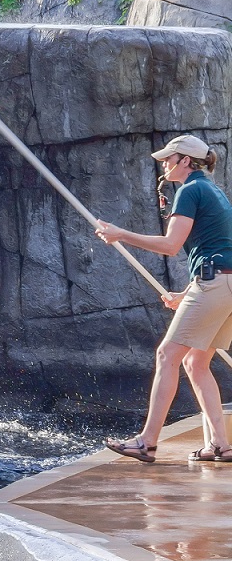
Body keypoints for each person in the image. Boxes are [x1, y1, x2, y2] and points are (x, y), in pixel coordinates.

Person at [95, 134, 232, 464]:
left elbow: (171, 245)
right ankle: (220, 445)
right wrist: (186, 293)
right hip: (223, 284)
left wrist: (120, 234)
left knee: (167, 354)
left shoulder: (190, 190)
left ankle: (146, 442)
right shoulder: (214, 191)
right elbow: (221, 252)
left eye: (169, 158)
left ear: (186, 161)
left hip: (216, 285)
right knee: (195, 363)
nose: (164, 163)